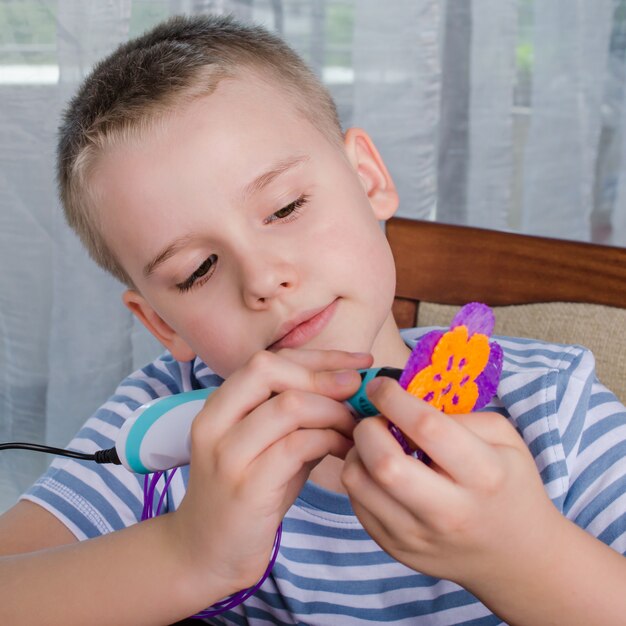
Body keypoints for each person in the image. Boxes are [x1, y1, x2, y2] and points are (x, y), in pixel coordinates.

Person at [0, 13, 625, 626]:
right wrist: (188, 555)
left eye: (286, 206)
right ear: (165, 326)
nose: (265, 279)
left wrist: (521, 556)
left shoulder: (552, 407)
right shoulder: (162, 430)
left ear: (368, 178)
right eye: (197, 269)